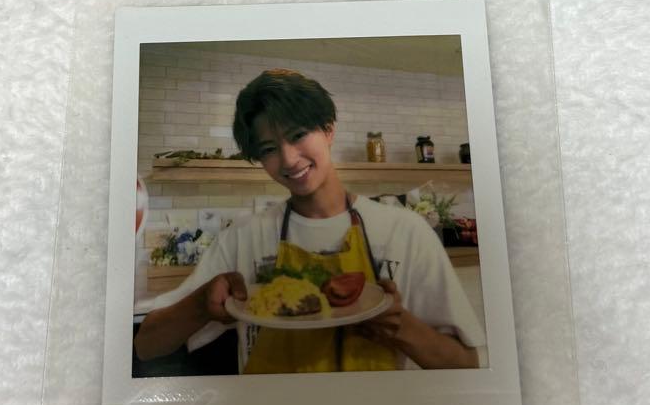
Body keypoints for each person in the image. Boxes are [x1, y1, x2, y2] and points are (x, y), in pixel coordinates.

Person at [134, 69, 485, 374]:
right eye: (269, 149)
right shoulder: (243, 237)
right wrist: (201, 305)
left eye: (298, 134)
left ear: (328, 129)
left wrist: (401, 327)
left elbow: (466, 364)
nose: (288, 159)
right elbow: (147, 345)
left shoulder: (404, 232)